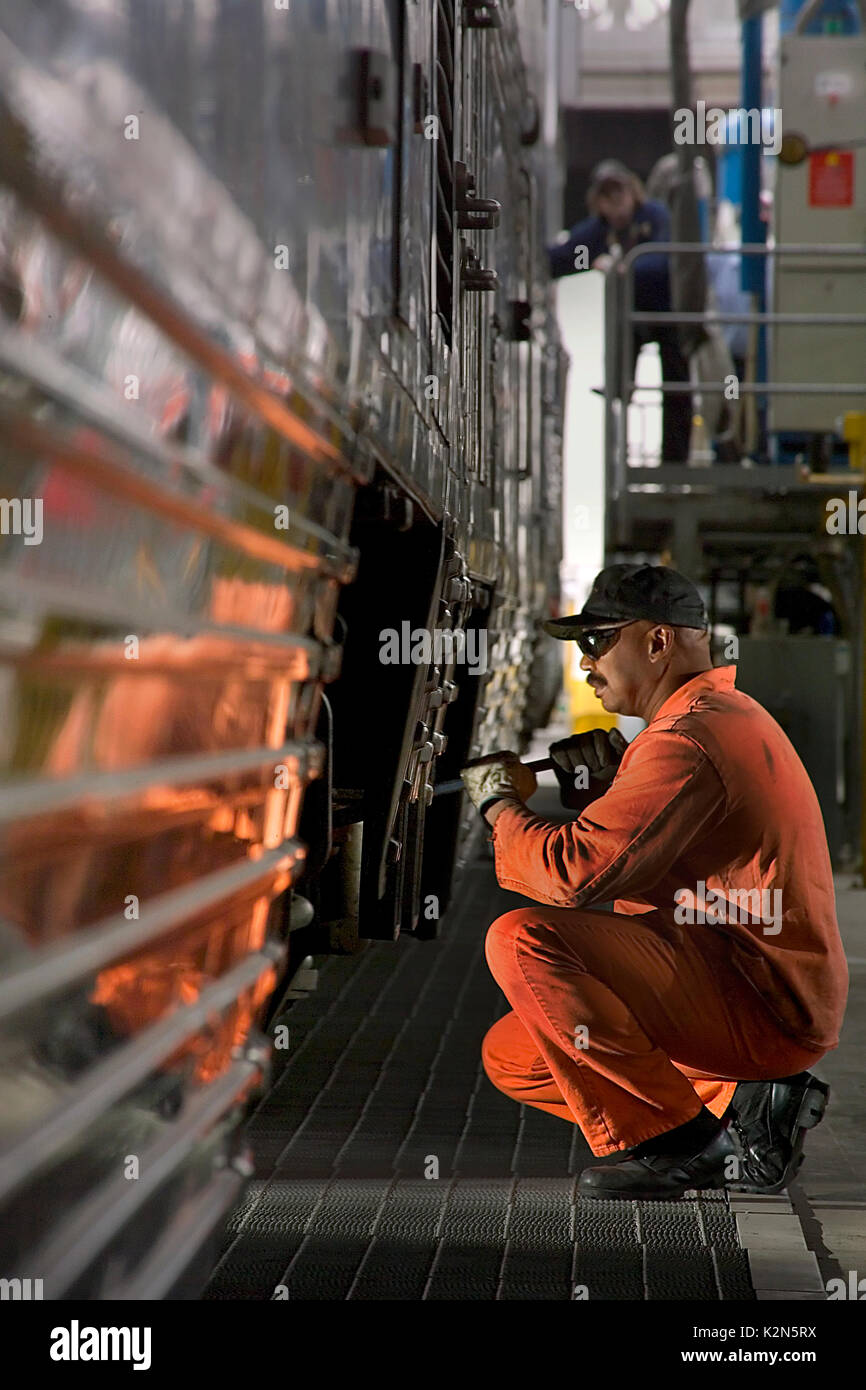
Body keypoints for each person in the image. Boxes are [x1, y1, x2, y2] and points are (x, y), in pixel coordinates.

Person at [460, 563, 847, 1200]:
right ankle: (742, 1108)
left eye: (596, 642)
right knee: (515, 1056)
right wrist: (610, 785)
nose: (586, 664)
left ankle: (685, 1147)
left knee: (522, 941)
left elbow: (574, 874)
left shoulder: (687, 739)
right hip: (736, 976)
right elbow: (661, 849)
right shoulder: (716, 714)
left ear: (657, 642)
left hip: (757, 998)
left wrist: (496, 802)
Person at [549, 161, 692, 464]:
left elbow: (663, 256)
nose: (615, 204)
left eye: (619, 194)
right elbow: (565, 257)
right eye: (607, 197)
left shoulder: (654, 216)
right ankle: (619, 447)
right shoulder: (601, 232)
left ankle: (675, 459)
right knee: (621, 373)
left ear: (632, 192)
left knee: (677, 384)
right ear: (598, 202)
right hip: (633, 316)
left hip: (668, 310)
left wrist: (624, 267)